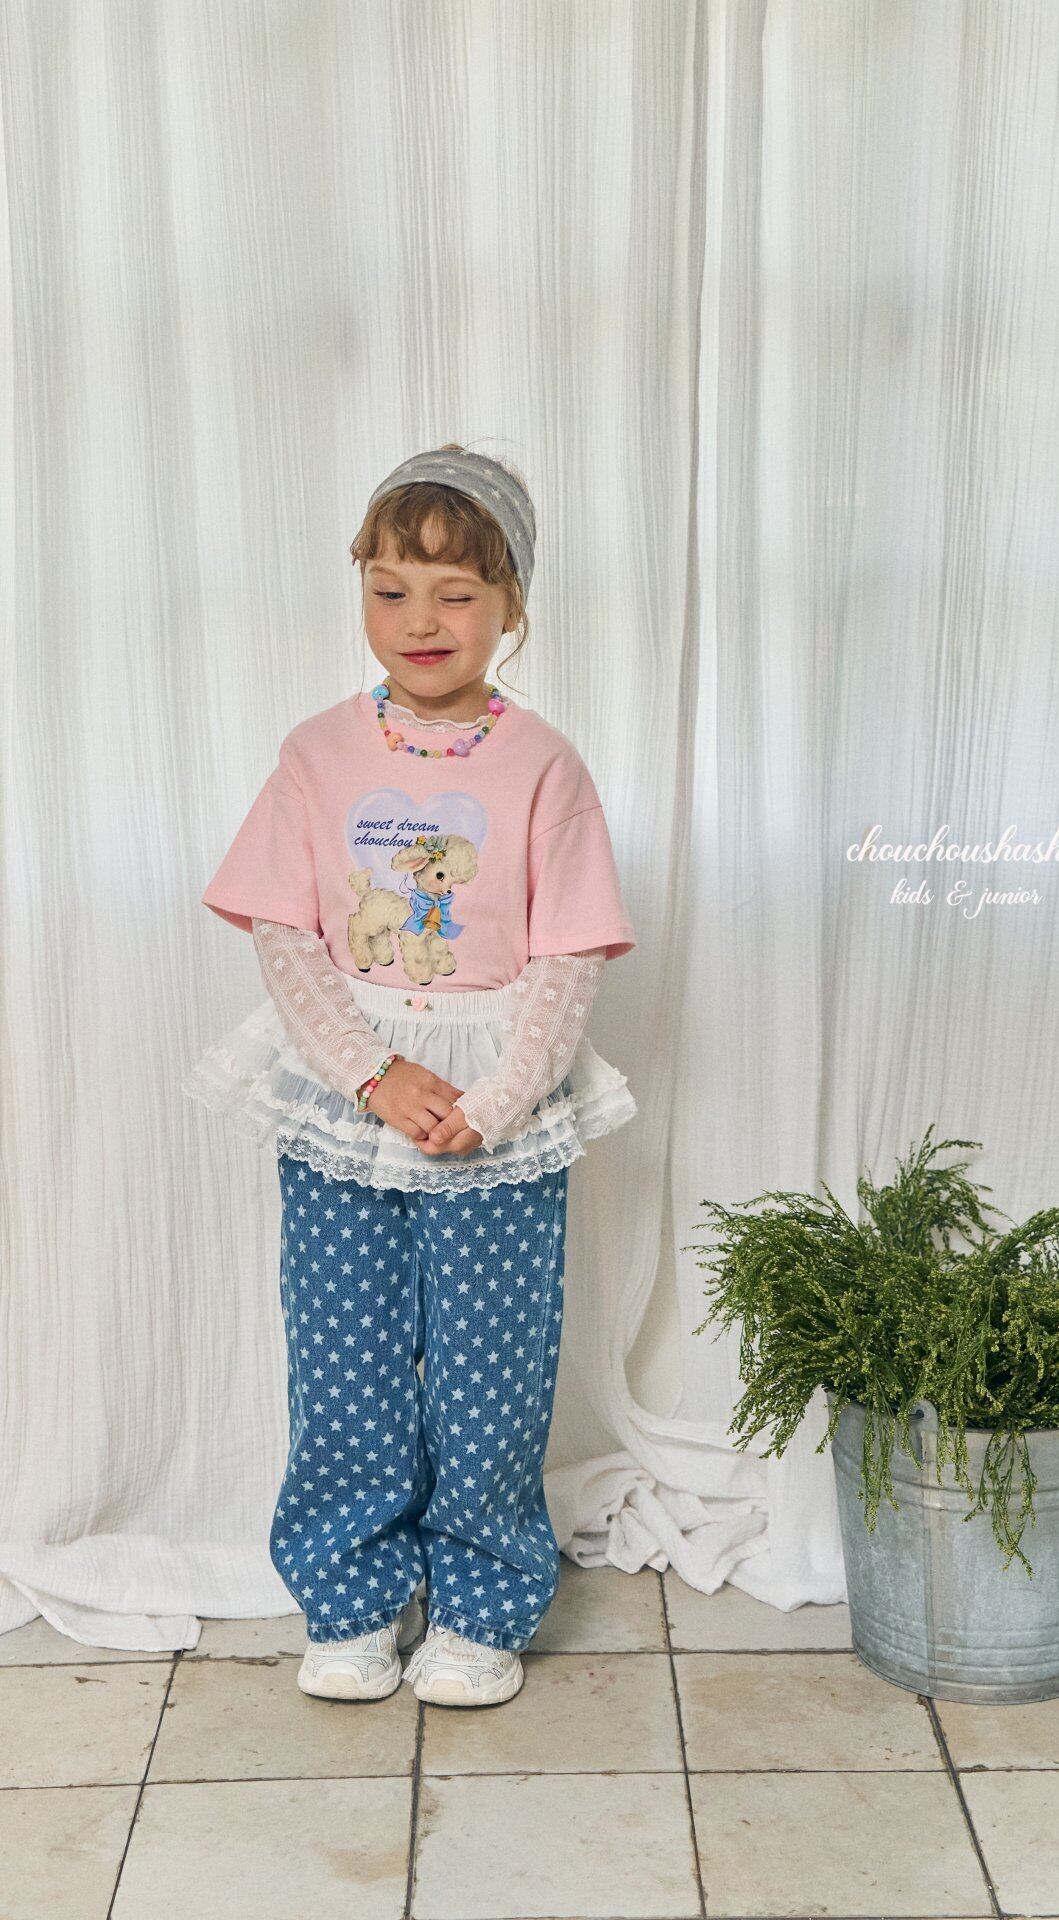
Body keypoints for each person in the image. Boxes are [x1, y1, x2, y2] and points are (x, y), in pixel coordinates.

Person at [182, 444, 637, 1709]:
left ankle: (481, 1607)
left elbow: (566, 957)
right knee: (346, 1362)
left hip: (498, 1115)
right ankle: (353, 1600)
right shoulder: (316, 754)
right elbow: (287, 936)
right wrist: (371, 1074)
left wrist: (493, 1104)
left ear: (510, 605)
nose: (419, 621)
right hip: (347, 1105)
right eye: (389, 590)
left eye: (454, 593)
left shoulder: (542, 766)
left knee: (491, 1367)